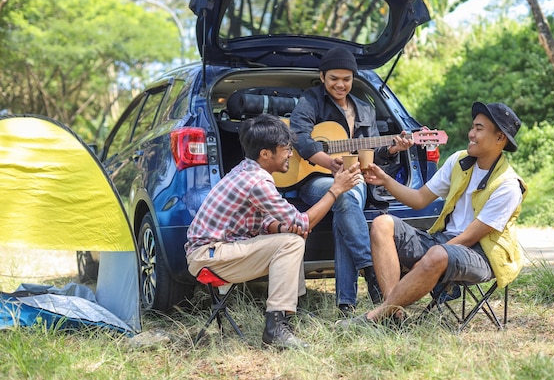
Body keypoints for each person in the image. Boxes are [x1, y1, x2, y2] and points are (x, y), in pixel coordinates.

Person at [338, 102, 527, 327]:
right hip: (444, 242)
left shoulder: (508, 185)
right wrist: (385, 180)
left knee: (437, 254)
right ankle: (393, 316)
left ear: (499, 139)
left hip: (481, 254)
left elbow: (469, 238)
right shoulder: (459, 160)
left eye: (479, 128)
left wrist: (431, 257)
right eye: (473, 127)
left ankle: (374, 317)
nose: (471, 134)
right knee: (382, 224)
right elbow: (419, 200)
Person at [185, 114, 361, 349]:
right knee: (291, 242)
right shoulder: (257, 180)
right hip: (210, 256)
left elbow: (265, 220)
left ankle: (287, 317)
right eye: (286, 149)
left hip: (217, 251)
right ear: (266, 154)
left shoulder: (247, 170)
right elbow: (304, 222)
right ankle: (276, 328)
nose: (290, 154)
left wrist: (283, 227)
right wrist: (335, 189)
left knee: (291, 236)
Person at [289, 47, 413, 316]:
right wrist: (327, 161)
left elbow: (375, 154)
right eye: (334, 78)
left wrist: (392, 150)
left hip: (355, 178)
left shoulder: (366, 109)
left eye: (346, 79)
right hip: (314, 178)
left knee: (345, 202)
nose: (340, 84)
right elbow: (297, 136)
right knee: (343, 196)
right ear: (322, 77)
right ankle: (371, 270)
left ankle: (346, 305)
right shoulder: (311, 100)